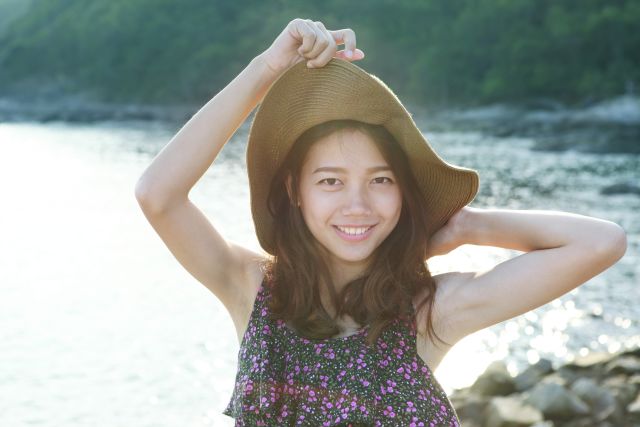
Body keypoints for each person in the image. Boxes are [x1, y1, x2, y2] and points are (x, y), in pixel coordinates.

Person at [134, 18, 628, 427]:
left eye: (381, 180)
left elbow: (602, 242)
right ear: (294, 193)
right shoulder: (253, 291)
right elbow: (158, 195)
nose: (359, 205)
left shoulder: (429, 312)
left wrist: (465, 226)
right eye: (330, 181)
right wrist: (267, 68)